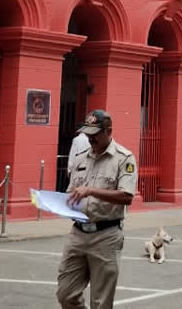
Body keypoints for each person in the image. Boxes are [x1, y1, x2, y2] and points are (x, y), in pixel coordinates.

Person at [57, 109, 137, 309]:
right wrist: (57, 202)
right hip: (78, 233)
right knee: (66, 294)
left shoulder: (124, 158)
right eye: (87, 133)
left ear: (108, 131)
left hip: (106, 235)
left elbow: (127, 196)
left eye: (95, 133)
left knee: (101, 302)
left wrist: (91, 190)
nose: (90, 138)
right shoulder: (81, 158)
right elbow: (72, 193)